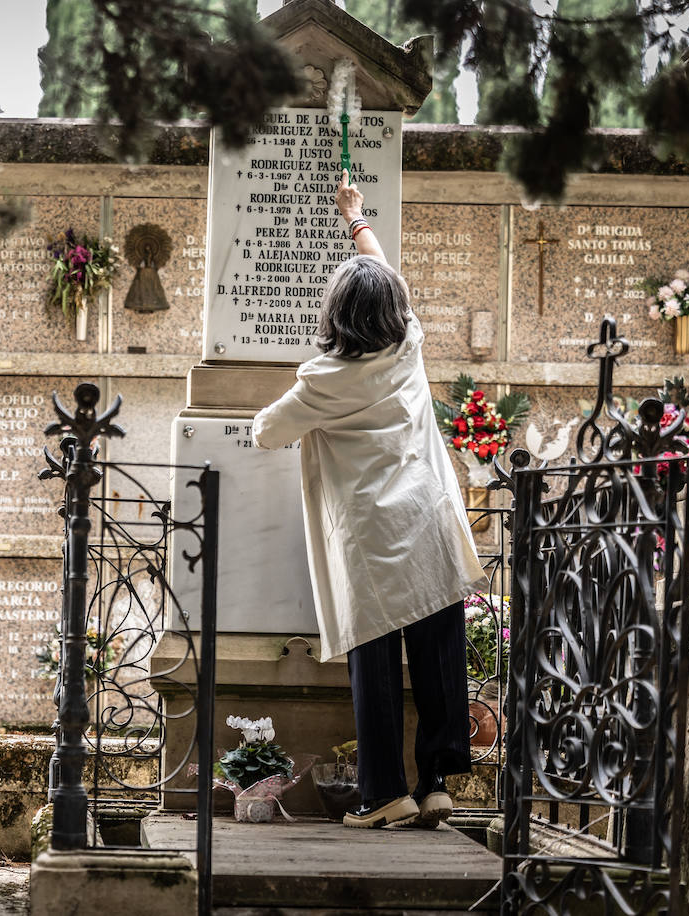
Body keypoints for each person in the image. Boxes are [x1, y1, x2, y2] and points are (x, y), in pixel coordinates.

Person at [252, 170, 487, 830]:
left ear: (335, 316)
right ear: (391, 311)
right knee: (439, 648)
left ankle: (384, 793)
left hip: (372, 533)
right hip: (428, 515)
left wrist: (269, 414)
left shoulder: (323, 381)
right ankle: (437, 779)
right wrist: (355, 218)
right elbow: (383, 272)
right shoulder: (408, 342)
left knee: (375, 656)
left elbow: (267, 431)